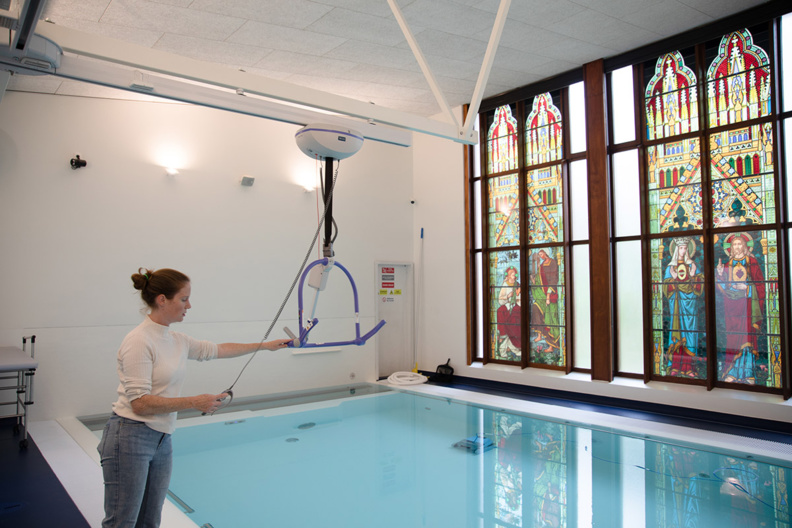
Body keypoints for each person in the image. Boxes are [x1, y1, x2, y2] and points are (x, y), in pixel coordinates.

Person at [98, 268, 291, 528]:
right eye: (183, 299)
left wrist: (264, 346)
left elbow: (219, 349)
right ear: (162, 300)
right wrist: (193, 402)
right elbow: (140, 403)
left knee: (150, 521)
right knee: (122, 522)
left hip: (161, 438)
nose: (189, 305)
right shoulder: (138, 341)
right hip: (130, 435)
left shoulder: (177, 339)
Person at [715, 234, 765, 383]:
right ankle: (732, 372)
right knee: (733, 339)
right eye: (734, 244)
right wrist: (719, 274)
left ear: (745, 246)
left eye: (739, 244)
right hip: (732, 307)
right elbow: (724, 288)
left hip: (748, 305)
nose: (736, 247)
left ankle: (747, 373)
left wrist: (748, 289)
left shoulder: (752, 262)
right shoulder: (728, 264)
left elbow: (761, 285)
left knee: (747, 337)